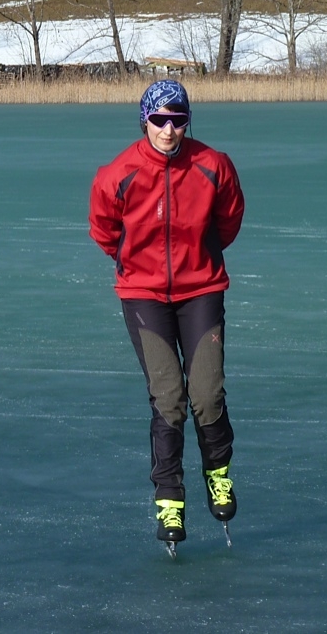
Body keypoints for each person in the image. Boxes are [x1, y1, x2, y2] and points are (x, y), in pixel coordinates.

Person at [88, 79, 246, 549]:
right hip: (143, 295)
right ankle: (169, 498)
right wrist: (134, 261)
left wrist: (203, 255)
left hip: (201, 291)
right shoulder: (117, 173)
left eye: (178, 120)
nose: (169, 129)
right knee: (169, 398)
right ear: (145, 121)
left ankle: (218, 474)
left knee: (207, 395)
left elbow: (230, 219)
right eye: (159, 120)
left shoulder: (212, 166)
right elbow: (103, 229)